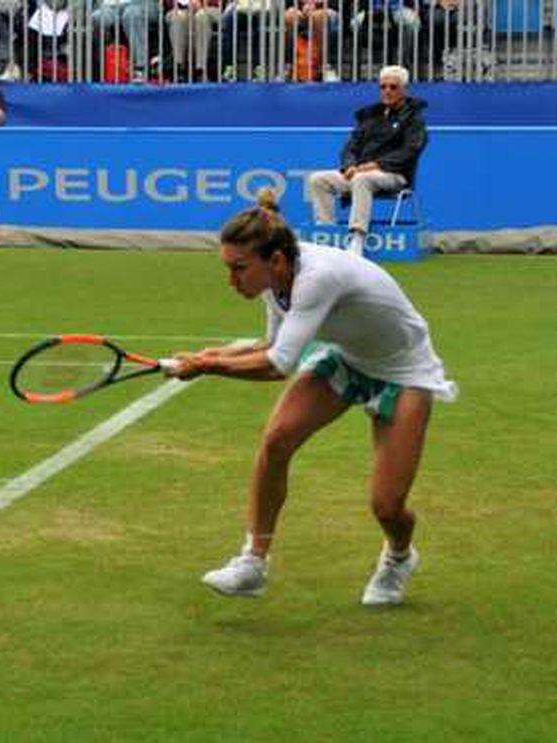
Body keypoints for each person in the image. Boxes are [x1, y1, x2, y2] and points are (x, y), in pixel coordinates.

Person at [167, 188, 456, 604]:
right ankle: (253, 562)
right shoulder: (273, 280)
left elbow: (278, 364)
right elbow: (270, 343)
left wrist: (208, 366)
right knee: (276, 440)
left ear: (277, 260)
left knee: (387, 507)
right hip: (348, 359)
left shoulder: (317, 278)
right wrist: (210, 354)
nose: (232, 281)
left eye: (239, 269)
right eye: (229, 269)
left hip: (405, 372)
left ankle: (398, 557)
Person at [307, 64, 426, 256]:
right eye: (383, 86)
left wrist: (373, 166)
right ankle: (326, 236)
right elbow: (351, 146)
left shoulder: (415, 119)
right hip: (359, 172)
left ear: (404, 90)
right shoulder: (369, 116)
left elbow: (410, 152)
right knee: (318, 179)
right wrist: (349, 165)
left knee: (362, 179)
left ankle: (357, 239)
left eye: (393, 87)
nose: (387, 91)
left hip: (395, 176)